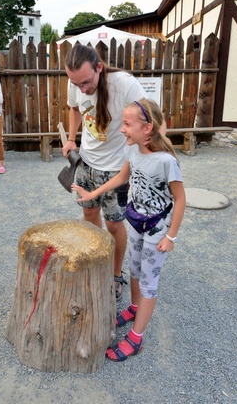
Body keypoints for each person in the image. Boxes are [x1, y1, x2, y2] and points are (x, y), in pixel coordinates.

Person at [72, 98, 186, 361]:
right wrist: (93, 193)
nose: (121, 129)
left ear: (147, 128)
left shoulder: (166, 162)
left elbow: (180, 199)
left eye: (126, 124)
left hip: (158, 229)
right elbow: (121, 178)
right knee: (134, 269)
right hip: (135, 221)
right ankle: (134, 308)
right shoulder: (132, 151)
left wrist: (171, 236)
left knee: (148, 282)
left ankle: (136, 338)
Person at [63, 44, 145, 299]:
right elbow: (75, 108)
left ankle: (115, 273)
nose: (83, 89)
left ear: (99, 67)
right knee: (89, 214)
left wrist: (147, 157)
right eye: (77, 84)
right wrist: (71, 139)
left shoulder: (125, 85)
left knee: (113, 223)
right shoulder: (76, 83)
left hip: (115, 169)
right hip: (87, 163)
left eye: (86, 82)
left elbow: (151, 117)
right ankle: (96, 260)